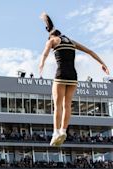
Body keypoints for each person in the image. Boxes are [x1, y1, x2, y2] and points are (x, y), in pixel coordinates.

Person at [38, 13, 110, 146]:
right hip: (73, 77)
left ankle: (55, 132)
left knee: (57, 105)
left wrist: (41, 64)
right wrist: (102, 64)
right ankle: (64, 130)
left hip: (61, 75)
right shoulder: (71, 41)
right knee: (67, 105)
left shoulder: (52, 40)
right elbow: (90, 51)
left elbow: (45, 53)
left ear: (51, 35)